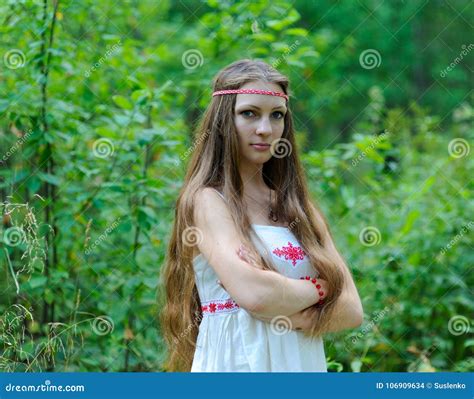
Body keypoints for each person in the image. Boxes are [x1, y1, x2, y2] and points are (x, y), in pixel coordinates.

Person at [159, 59, 363, 372]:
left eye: (276, 116)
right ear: (224, 120)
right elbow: (256, 295)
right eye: (249, 113)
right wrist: (322, 287)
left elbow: (351, 309)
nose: (265, 129)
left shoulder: (299, 209)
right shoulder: (208, 201)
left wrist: (285, 307)